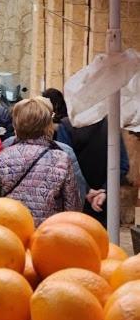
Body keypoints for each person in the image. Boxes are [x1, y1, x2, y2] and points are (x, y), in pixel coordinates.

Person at [0, 97, 81, 225]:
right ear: (47, 125)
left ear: (16, 124)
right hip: (48, 232)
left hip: (13, 230)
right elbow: (72, 206)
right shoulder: (61, 159)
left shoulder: (3, 156)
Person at [51, 91, 130, 228]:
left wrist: (87, 191)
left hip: (75, 202)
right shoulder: (111, 126)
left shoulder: (66, 126)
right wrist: (104, 190)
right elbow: (122, 165)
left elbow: (64, 163)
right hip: (104, 203)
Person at [2, 96, 88, 202]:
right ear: (47, 123)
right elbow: (76, 197)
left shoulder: (5, 148)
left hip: (11, 215)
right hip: (52, 217)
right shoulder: (64, 152)